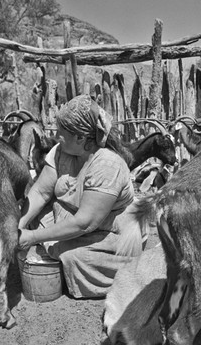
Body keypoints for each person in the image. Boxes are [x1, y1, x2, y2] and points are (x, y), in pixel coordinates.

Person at [18, 94, 145, 299]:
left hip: (109, 233)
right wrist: (18, 227)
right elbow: (41, 192)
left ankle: (130, 271)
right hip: (69, 218)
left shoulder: (106, 165)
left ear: (80, 137)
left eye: (61, 132)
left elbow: (85, 222)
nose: (56, 135)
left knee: (73, 257)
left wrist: (32, 237)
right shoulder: (62, 151)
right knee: (33, 214)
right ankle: (53, 248)